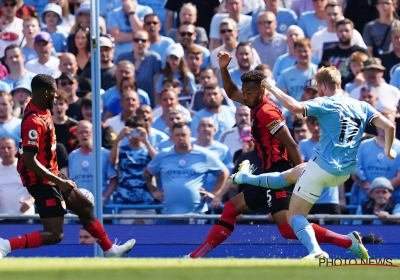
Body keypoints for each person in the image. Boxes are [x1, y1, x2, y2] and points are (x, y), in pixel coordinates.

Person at [233, 66, 396, 259]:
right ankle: (246, 177)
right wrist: (388, 149)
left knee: (294, 217)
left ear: (322, 85)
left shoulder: (325, 102)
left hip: (323, 168)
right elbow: (390, 126)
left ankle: (316, 252)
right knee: (291, 175)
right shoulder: (363, 106)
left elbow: (294, 107)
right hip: (343, 173)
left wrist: (271, 88)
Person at [0, 74, 135, 258]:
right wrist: (59, 182)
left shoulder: (41, 107)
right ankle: (5, 245)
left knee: (85, 207)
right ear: (45, 93)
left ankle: (110, 250)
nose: (56, 99)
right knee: (55, 234)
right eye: (54, 94)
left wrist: (59, 180)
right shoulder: (33, 121)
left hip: (51, 175)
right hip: (41, 182)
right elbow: (30, 160)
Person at [186, 51, 302, 258]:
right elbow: (230, 92)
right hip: (270, 174)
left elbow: (292, 145)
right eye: (244, 91)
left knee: (286, 229)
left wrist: (300, 179)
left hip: (280, 174)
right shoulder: (254, 102)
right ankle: (196, 256)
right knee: (231, 208)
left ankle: (347, 240)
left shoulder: (267, 112)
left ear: (261, 92)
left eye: (249, 92)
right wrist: (223, 68)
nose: (244, 96)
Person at [144, 121, 229, 223]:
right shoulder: (163, 155)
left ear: (190, 135)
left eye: (183, 135)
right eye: (177, 135)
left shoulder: (204, 154)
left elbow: (224, 173)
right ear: (172, 137)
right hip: (168, 215)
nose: (180, 138)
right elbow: (147, 172)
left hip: (196, 216)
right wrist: (154, 191)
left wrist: (214, 193)